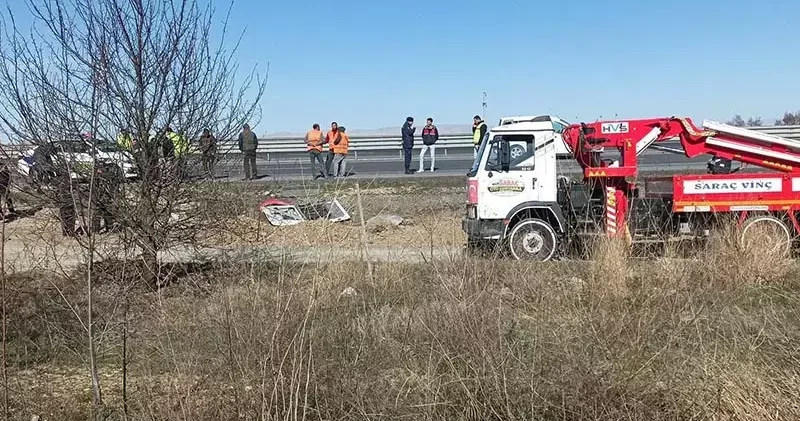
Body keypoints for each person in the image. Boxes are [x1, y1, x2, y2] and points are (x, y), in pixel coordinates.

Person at [91, 161, 123, 233]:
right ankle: (95, 230)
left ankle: (111, 228)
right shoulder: (96, 176)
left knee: (108, 213)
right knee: (98, 214)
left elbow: (113, 187)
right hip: (99, 197)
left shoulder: (109, 176)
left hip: (106, 196)